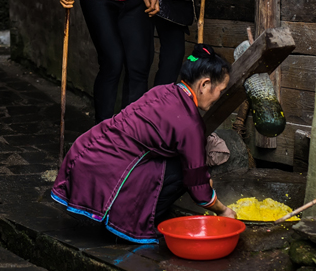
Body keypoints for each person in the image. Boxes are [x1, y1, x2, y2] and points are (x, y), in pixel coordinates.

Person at [51, 44, 238, 244]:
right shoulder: (190, 124)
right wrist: (223, 209)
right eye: (221, 90)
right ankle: (130, 221)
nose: (219, 97)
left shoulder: (165, 90)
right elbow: (198, 187)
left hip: (84, 153)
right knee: (182, 173)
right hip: (103, 170)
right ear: (204, 84)